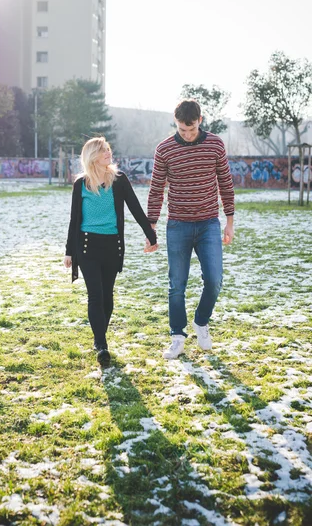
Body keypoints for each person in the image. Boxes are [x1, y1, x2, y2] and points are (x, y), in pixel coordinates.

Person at [146, 99, 235, 359]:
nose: (186, 134)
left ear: (200, 121)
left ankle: (201, 322)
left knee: (215, 280)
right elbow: (156, 189)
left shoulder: (215, 144)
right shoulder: (164, 149)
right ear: (176, 123)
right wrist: (151, 227)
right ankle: (177, 336)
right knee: (177, 285)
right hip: (177, 226)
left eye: (191, 129)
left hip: (208, 224)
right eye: (181, 130)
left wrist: (229, 221)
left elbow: (225, 183)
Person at [64, 137, 158, 367]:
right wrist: (69, 251)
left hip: (112, 246)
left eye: (108, 149)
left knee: (107, 297)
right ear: (92, 155)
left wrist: (151, 234)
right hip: (86, 246)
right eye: (103, 150)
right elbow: (74, 219)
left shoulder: (119, 180)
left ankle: (99, 338)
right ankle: (102, 344)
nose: (108, 152)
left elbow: (135, 208)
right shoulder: (81, 184)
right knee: (95, 295)